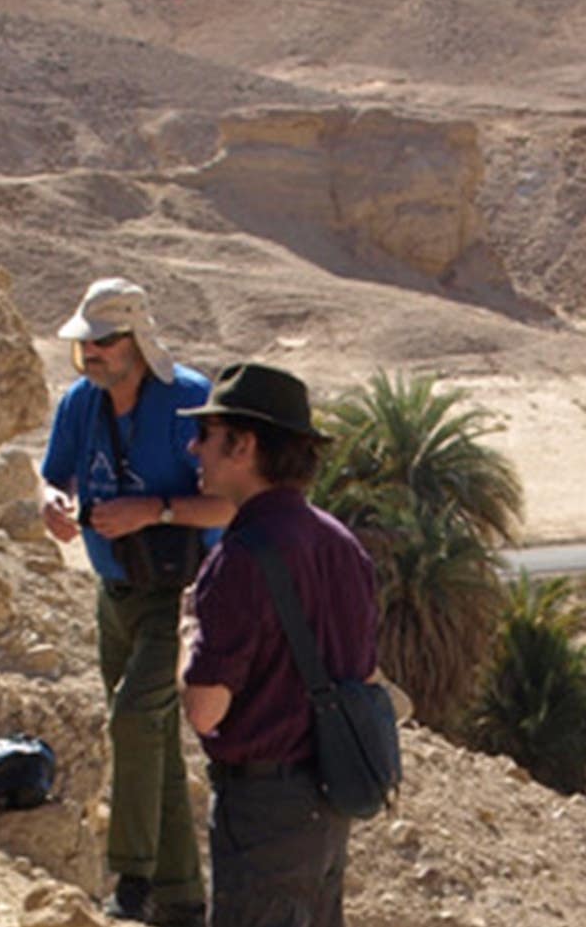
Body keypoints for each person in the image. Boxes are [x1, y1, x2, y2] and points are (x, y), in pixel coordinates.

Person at [39, 278, 233, 927]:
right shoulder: (78, 405)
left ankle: (130, 878)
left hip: (181, 597)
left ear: (137, 339)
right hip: (113, 593)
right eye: (85, 343)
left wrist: (157, 508)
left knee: (131, 718)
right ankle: (182, 900)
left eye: (104, 341)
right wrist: (52, 503)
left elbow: (234, 500)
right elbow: (53, 473)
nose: (91, 353)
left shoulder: (191, 400)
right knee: (151, 737)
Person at [177, 363, 379, 927]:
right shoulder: (341, 544)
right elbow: (362, 674)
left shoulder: (239, 561)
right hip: (328, 800)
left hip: (264, 810)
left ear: (243, 445)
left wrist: (187, 632)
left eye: (208, 437)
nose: (195, 449)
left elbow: (204, 709)